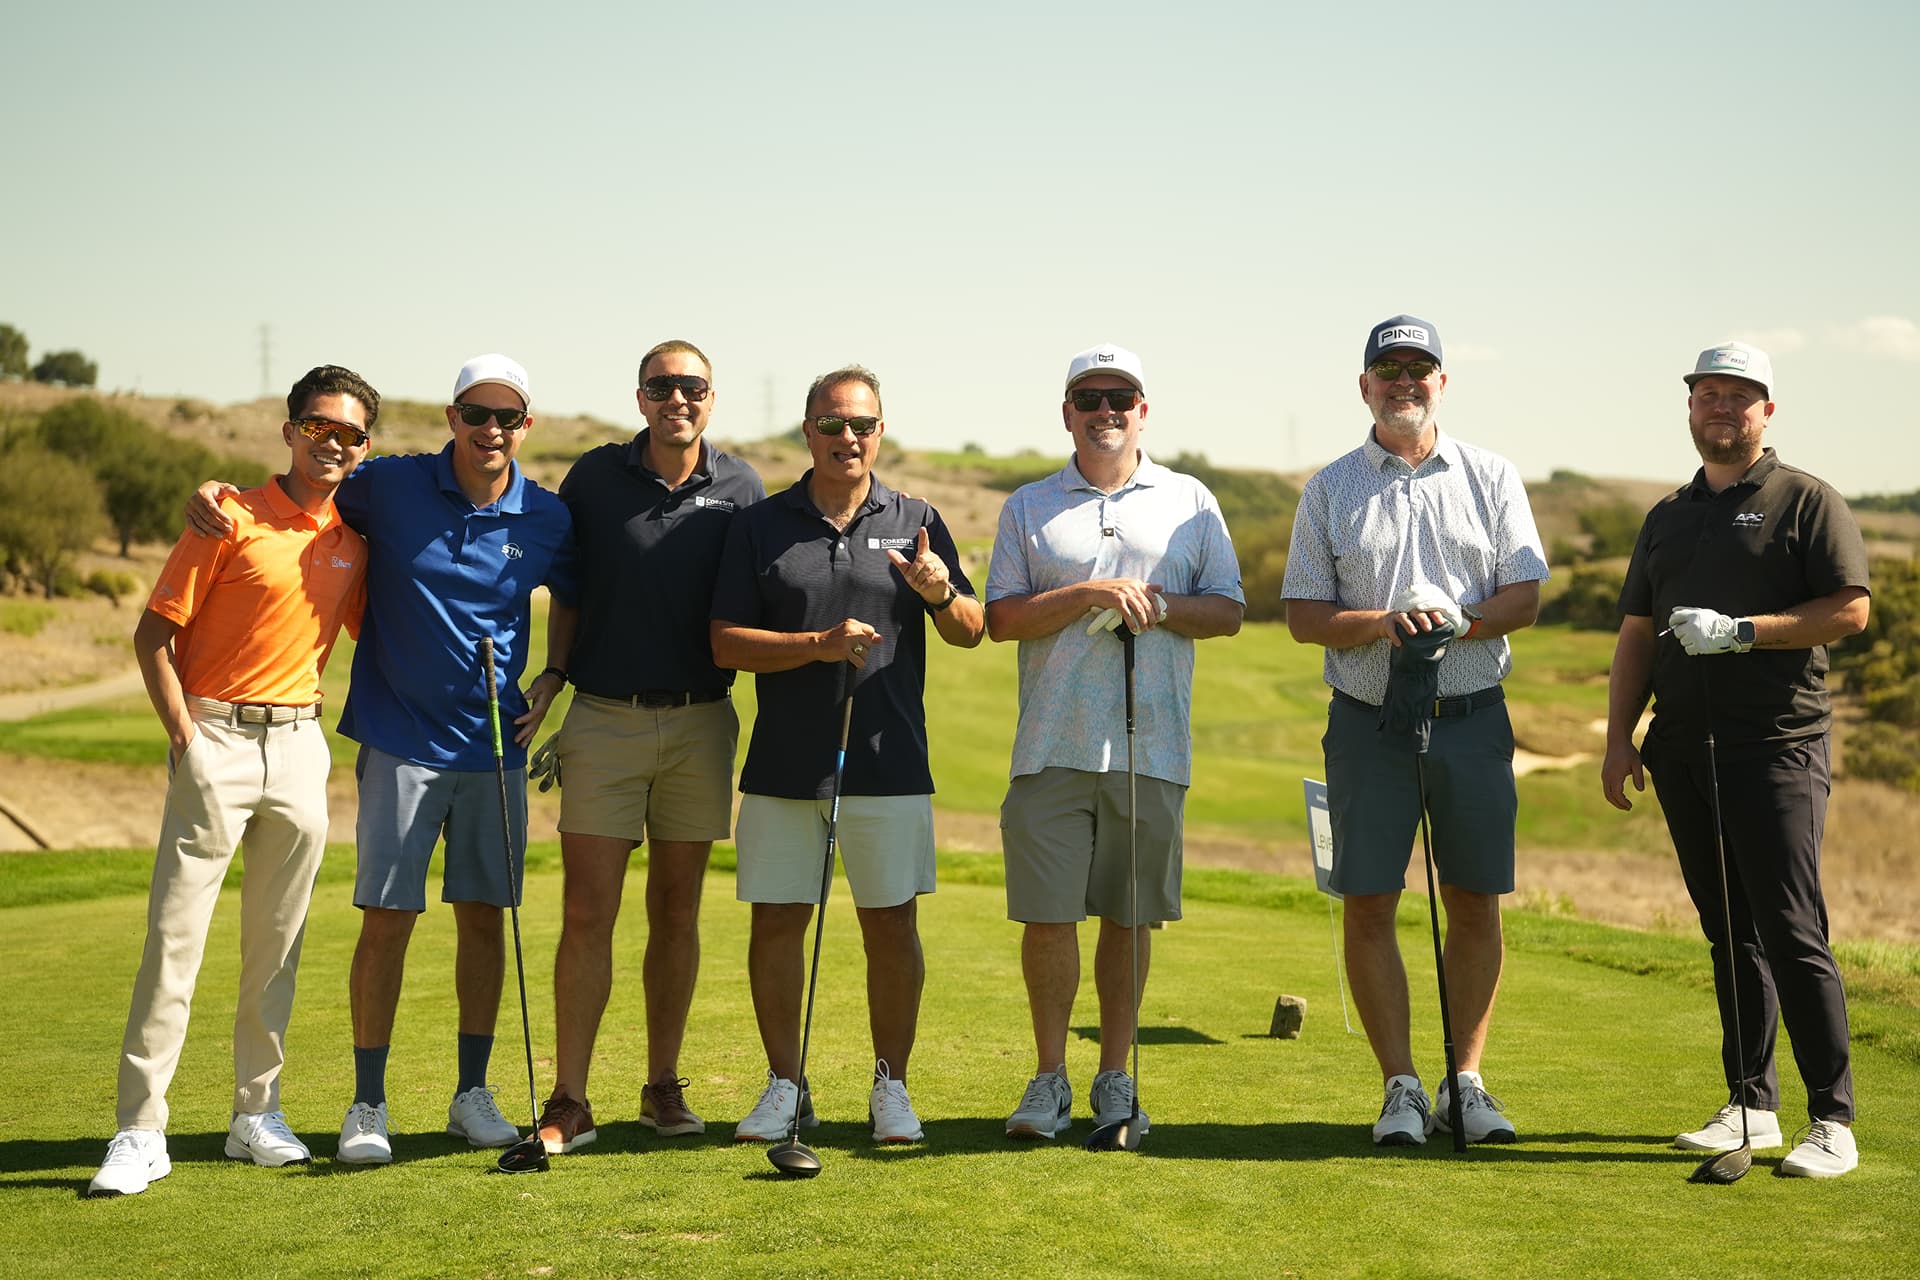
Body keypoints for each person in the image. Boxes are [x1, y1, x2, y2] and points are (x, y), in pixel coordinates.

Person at [185, 353, 578, 1164]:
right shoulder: (390, 486)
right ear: (452, 418)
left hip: (494, 746)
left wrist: (554, 674)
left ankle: (472, 1094)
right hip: (401, 739)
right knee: (388, 920)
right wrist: (221, 491)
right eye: (477, 414)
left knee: (484, 918)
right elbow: (307, 486)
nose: (491, 429)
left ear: (526, 427)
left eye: (507, 417)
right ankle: (368, 1102)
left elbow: (570, 593)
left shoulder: (545, 515)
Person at [89, 365, 375, 1196]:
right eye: (318, 426)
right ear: (289, 431)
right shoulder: (227, 517)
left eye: (350, 433)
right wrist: (186, 738)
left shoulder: (353, 542)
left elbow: (378, 632)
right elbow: (152, 637)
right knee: (174, 941)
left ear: (364, 448)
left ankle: (256, 1113)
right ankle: (141, 1129)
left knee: (276, 948)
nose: (332, 443)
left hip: (300, 746)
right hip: (215, 736)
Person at [1602, 341, 1870, 1179]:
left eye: (1739, 395)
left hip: (1777, 746)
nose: (1721, 407)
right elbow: (1637, 633)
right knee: (1729, 932)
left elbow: (1849, 610)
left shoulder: (1806, 501)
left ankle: (1833, 1120)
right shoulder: (1667, 516)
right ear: (1690, 407)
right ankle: (1751, 1103)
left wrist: (1744, 632)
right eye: (1707, 394)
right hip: (1683, 747)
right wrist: (1618, 737)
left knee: (1791, 929)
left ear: (1767, 410)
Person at [1282, 315, 1547, 1147]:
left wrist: (1463, 622)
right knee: (1370, 900)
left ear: (1442, 382)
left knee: (1473, 898)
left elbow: (1525, 595)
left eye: (1418, 369)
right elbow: (1304, 615)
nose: (1404, 382)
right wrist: (1383, 623)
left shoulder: (1491, 476)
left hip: (1472, 718)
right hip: (1368, 724)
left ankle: (1465, 1081)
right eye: (1388, 369)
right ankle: (1399, 1087)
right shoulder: (1329, 489)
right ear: (1365, 386)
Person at [711, 364, 984, 1144]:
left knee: (891, 926)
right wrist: (817, 645)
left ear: (879, 431)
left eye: (862, 425)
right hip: (784, 763)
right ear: (808, 430)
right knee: (777, 923)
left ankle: (891, 1086)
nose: (848, 438)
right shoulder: (761, 524)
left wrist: (937, 591)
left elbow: (971, 628)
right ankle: (786, 1086)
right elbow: (725, 642)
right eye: (832, 424)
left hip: (888, 761)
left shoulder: (918, 518)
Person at [985, 342, 1244, 1141]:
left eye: (1120, 398)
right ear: (1067, 413)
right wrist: (1087, 594)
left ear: (1143, 410)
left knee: (1129, 921)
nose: (1106, 411)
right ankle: (1049, 1079)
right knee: (1048, 918)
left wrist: (1161, 607)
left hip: (1151, 747)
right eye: (1090, 398)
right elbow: (1001, 618)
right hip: (1050, 744)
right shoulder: (1028, 505)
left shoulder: (1190, 499)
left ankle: (1115, 1076)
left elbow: (1229, 609)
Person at [530, 340, 764, 1155]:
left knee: (676, 910)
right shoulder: (595, 478)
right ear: (640, 398)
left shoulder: (741, 487)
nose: (678, 399)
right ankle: (569, 1098)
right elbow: (568, 590)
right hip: (603, 718)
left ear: (711, 398)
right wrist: (554, 673)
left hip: (702, 722)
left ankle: (663, 1084)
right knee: (587, 910)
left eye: (692, 386)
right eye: (662, 386)